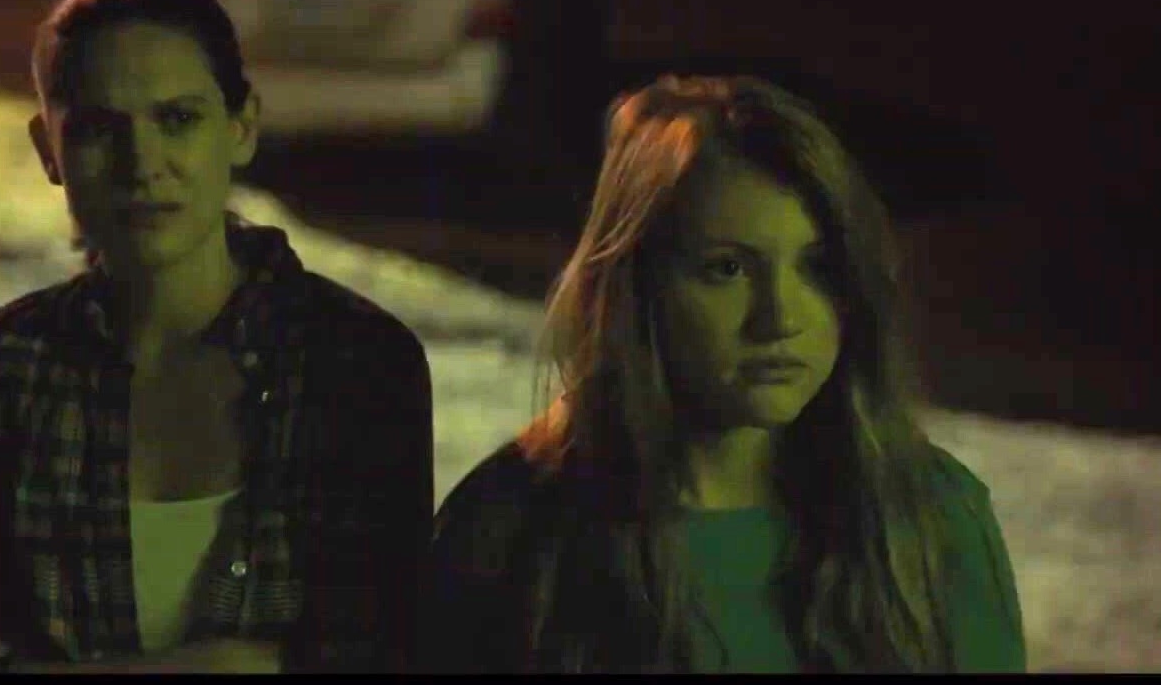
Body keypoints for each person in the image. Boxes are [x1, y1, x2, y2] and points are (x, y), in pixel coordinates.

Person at [0, 0, 434, 673]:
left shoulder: (353, 364)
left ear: (242, 127)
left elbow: (379, 651)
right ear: (49, 150)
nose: (142, 163)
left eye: (177, 119)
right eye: (98, 129)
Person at [418, 75, 1026, 673]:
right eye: (727, 269)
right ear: (636, 286)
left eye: (817, 267)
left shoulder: (932, 519)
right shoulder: (511, 531)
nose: (780, 318)